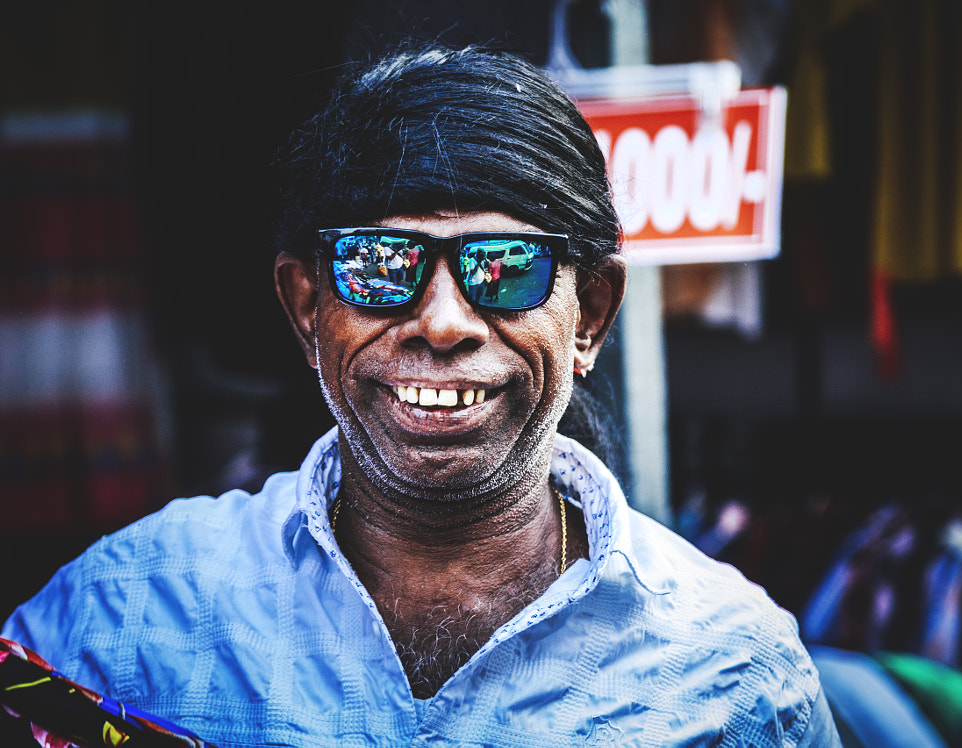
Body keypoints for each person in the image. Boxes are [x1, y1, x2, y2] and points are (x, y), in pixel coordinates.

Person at [2, 44, 840, 745]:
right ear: (305, 309)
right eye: (380, 264)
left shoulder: (734, 672)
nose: (442, 323)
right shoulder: (121, 618)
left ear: (589, 316)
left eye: (506, 268)